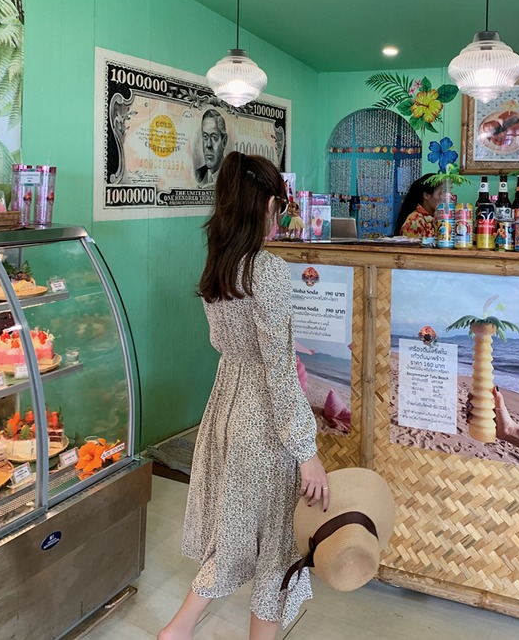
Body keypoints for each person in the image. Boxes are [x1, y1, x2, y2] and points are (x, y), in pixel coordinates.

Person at [159, 152, 329, 640]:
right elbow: (278, 370)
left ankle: (178, 630)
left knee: (232, 531)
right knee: (276, 548)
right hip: (263, 422)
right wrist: (307, 452)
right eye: (281, 204)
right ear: (267, 204)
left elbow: (230, 346)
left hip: (225, 407)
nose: (282, 214)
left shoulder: (221, 263)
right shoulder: (267, 271)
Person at [393, 173, 443, 239]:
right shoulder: (415, 221)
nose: (445, 197)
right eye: (441, 193)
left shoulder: (436, 217)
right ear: (426, 195)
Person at [195, 109, 228, 186]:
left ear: (224, 141)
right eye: (205, 137)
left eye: (214, 137)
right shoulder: (198, 174)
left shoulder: (233, 175)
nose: (208, 145)